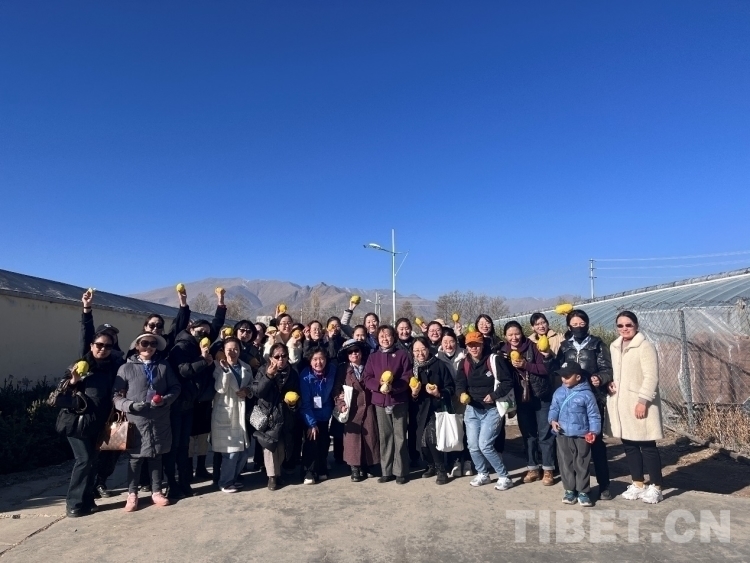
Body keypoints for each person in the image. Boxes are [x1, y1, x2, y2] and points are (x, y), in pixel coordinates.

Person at [541, 309, 613, 500]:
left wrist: (601, 377)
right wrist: (547, 357)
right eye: (574, 324)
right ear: (569, 326)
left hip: (592, 398)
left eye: (582, 324)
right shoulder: (565, 346)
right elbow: (557, 369)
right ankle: (574, 488)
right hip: (569, 401)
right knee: (571, 448)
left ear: (587, 324)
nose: (578, 327)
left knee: (595, 442)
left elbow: (607, 368)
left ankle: (604, 485)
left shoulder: (597, 344)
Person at [166, 288, 227, 500]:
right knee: (174, 447)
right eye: (200, 330)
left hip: (190, 403)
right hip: (177, 404)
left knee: (184, 446)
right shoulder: (181, 346)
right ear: (191, 328)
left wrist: (221, 302)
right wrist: (203, 360)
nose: (204, 334)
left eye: (206, 332)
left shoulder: (202, 345)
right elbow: (184, 371)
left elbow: (216, 325)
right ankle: (172, 484)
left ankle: (185, 484)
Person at [113, 333, 181, 512]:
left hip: (159, 419)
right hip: (136, 420)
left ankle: (156, 491)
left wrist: (165, 400)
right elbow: (116, 396)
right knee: (135, 459)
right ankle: (132, 494)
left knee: (156, 456)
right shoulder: (125, 368)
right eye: (144, 343)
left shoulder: (163, 366)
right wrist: (130, 405)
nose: (149, 347)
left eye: (153, 344)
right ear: (137, 346)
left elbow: (175, 387)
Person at [59, 330, 122, 517]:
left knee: (93, 462)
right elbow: (60, 393)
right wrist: (73, 382)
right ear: (91, 346)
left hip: (98, 423)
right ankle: (74, 503)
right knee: (84, 459)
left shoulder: (113, 368)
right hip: (77, 423)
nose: (103, 349)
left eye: (108, 346)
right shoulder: (80, 365)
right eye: (99, 345)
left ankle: (87, 499)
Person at [607, 311, 664, 504]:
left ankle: (656, 486)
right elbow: (616, 372)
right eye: (620, 325)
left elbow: (651, 377)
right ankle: (638, 483)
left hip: (640, 403)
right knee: (630, 446)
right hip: (621, 403)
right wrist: (610, 384)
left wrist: (643, 401)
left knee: (647, 445)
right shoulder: (614, 346)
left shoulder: (645, 346)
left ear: (636, 326)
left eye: (628, 325)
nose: (624, 329)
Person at [455, 331, 514, 491]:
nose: (474, 348)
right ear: (466, 347)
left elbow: (507, 382)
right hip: (472, 409)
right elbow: (459, 384)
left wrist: (494, 395)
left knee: (485, 445)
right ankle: (483, 474)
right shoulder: (464, 363)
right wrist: (462, 394)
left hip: (492, 409)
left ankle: (504, 476)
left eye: (477, 345)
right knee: (473, 445)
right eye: (470, 345)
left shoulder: (494, 360)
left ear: (483, 345)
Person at [501, 321, 555, 486]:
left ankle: (548, 469)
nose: (514, 337)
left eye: (517, 333)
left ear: (522, 333)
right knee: (528, 435)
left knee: (545, 434)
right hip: (521, 399)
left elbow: (545, 369)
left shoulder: (533, 347)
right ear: (505, 336)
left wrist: (526, 365)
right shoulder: (503, 352)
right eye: (510, 335)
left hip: (540, 396)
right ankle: (533, 468)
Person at [364, 325, 413, 484]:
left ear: (394, 337)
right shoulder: (373, 357)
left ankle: (401, 471)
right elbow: (367, 377)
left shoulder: (402, 355)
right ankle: (386, 470)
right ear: (378, 339)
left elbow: (407, 376)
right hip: (380, 401)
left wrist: (395, 387)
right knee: (385, 436)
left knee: (400, 436)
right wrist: (379, 386)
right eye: (382, 336)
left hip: (399, 400)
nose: (385, 339)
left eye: (388, 335)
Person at [549, 361, 601, 507]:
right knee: (565, 462)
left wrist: (593, 431)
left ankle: (583, 491)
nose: (564, 379)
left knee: (582, 463)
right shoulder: (559, 392)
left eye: (567, 376)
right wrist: (552, 420)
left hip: (582, 436)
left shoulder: (587, 395)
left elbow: (594, 415)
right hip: (562, 433)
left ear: (578, 377)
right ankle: (569, 490)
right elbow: (554, 408)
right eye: (562, 376)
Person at [251, 342, 300, 490]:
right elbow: (258, 391)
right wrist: (269, 376)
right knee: (270, 447)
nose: (281, 359)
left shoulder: (293, 373)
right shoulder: (263, 370)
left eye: (284, 356)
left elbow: (299, 393)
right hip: (269, 416)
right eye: (277, 356)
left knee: (282, 448)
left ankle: (277, 474)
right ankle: (272, 477)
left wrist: (293, 403)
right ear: (271, 358)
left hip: (285, 415)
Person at [410, 337, 455, 485]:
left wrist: (439, 393)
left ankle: (441, 469)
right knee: (421, 441)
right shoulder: (412, 368)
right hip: (419, 409)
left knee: (431, 438)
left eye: (423, 349)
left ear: (428, 349)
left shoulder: (439, 365)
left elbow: (450, 387)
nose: (420, 353)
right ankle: (431, 465)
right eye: (416, 350)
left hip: (436, 408)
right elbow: (406, 391)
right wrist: (414, 393)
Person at [210, 337, 253, 493]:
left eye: (236, 349)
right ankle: (225, 482)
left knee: (243, 452)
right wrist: (226, 371)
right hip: (225, 414)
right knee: (231, 452)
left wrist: (247, 391)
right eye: (229, 349)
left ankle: (232, 479)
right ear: (224, 350)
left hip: (241, 413)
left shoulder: (246, 367)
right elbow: (220, 388)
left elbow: (252, 385)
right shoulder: (217, 367)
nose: (232, 352)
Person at [334, 339, 380, 482]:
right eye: (350, 352)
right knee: (352, 439)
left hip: (369, 406)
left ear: (361, 352)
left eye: (356, 351)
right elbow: (337, 389)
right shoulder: (343, 369)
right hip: (351, 408)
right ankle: (354, 467)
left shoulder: (369, 365)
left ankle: (369, 465)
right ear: (347, 355)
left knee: (370, 436)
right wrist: (341, 404)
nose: (354, 354)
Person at [299, 347, 337, 484]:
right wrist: (311, 424)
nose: (318, 362)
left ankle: (321, 467)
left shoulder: (332, 371)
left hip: (325, 414)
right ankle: (308, 471)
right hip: (309, 413)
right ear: (310, 361)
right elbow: (305, 403)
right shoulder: (305, 376)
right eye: (315, 359)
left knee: (324, 441)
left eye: (321, 358)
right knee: (312, 439)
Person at [437, 329, 472, 478]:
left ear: (456, 342)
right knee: (453, 430)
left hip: (464, 398)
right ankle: (456, 462)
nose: (448, 345)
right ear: (441, 343)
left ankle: (468, 461)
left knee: (466, 430)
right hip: (448, 399)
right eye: (445, 342)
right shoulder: (437, 357)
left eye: (451, 341)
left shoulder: (465, 354)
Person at [528, 313, 564, 388]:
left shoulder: (559, 338)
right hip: (539, 381)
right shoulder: (530, 342)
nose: (541, 326)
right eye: (537, 324)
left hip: (557, 378)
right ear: (532, 327)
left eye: (543, 323)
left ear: (547, 323)